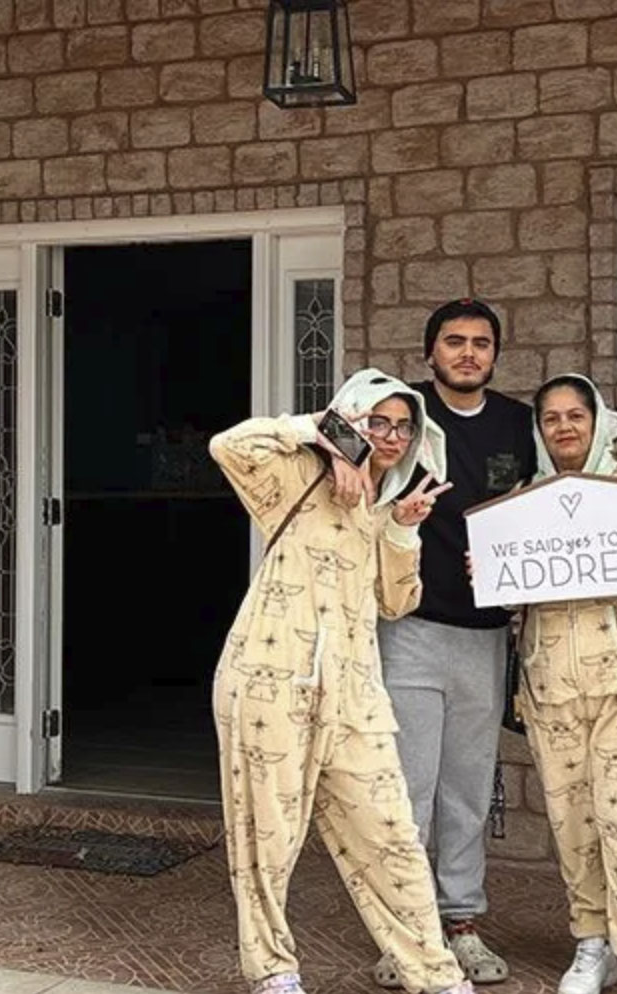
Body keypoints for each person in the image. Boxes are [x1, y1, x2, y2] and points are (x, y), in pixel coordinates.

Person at [209, 368, 472, 994]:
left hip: (355, 697)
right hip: (271, 679)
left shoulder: (384, 508)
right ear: (351, 415)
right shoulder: (295, 478)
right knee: (267, 838)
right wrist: (324, 436)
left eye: (403, 427)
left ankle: (435, 975)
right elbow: (228, 446)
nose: (392, 436)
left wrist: (403, 528)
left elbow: (397, 602)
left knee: (392, 836)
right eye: (378, 421)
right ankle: (273, 971)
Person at [373, 298, 536, 988]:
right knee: (407, 789)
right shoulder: (400, 413)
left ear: (495, 353)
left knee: (467, 789)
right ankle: (405, 934)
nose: (468, 353)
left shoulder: (519, 423)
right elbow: (329, 445)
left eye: (481, 342)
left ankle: (461, 921)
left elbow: (561, 486)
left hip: (486, 634)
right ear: (430, 351)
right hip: (409, 627)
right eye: (454, 341)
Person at [516, 373, 617, 994]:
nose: (564, 427)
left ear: (597, 420)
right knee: (572, 820)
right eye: (551, 418)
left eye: (575, 415)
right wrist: (489, 569)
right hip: (553, 680)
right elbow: (509, 591)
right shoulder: (523, 502)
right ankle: (593, 943)